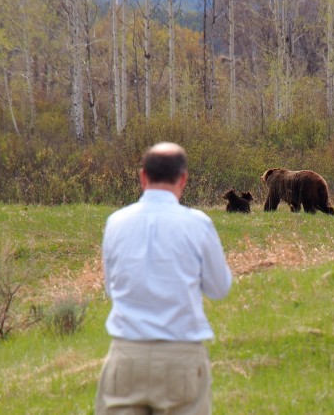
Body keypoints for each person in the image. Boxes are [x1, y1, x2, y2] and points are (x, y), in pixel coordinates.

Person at [95, 142, 233, 415]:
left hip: (126, 357)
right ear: (183, 178)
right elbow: (219, 289)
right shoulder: (198, 224)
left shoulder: (116, 223)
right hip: (180, 355)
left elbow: (111, 289)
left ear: (142, 176)